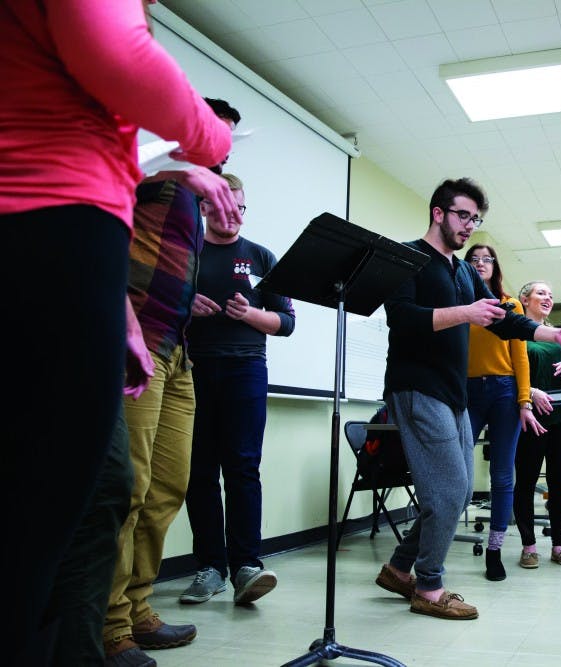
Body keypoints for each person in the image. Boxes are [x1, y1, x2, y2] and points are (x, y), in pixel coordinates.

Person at [0, 1, 233, 664]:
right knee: (49, 513)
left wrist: (117, 313)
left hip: (59, 248)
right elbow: (117, 53)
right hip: (44, 223)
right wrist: (207, 137)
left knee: (83, 495)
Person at [373, 177, 561, 621]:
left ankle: (398, 569)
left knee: (454, 490)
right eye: (463, 215)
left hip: (452, 393)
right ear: (438, 213)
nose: (470, 225)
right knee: (451, 490)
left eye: (476, 218)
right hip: (415, 387)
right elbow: (400, 316)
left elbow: (502, 320)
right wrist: (465, 313)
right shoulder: (408, 256)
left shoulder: (464, 271)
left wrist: (551, 332)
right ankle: (429, 587)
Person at [103, 96, 244, 664]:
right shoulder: (154, 172)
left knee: (167, 490)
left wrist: (190, 300)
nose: (224, 146)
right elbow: (104, 195)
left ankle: (139, 607)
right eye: (215, 133)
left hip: (177, 352)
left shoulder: (193, 195)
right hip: (136, 349)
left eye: (230, 138)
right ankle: (110, 624)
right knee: (128, 490)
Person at [178, 173, 295, 606]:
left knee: (243, 469)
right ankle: (210, 568)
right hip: (191, 370)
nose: (234, 215)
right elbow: (156, 310)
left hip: (247, 369)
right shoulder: (187, 253)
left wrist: (250, 315)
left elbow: (286, 323)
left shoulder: (262, 257)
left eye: (241, 208)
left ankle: (248, 565)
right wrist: (184, 305)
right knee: (200, 472)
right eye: (226, 206)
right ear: (205, 208)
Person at [462, 243, 538, 582]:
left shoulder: (509, 304)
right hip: (466, 392)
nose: (480, 264)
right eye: (474, 259)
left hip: (504, 391)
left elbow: (520, 356)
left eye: (487, 259)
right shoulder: (459, 306)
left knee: (503, 475)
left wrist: (525, 400)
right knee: (458, 471)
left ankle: (494, 550)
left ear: (496, 266)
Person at [513, 281, 561, 570]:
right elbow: (509, 371)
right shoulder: (517, 334)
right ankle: (528, 547)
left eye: (551, 295)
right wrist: (529, 391)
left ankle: (559, 545)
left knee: (558, 484)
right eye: (541, 293)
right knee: (527, 482)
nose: (548, 298)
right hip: (531, 418)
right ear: (524, 299)